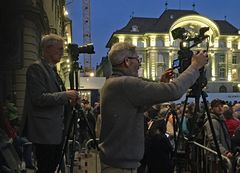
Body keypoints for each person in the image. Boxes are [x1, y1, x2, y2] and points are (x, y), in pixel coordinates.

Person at [98, 42, 208, 173]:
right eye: (137, 59)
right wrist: (195, 66)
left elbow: (141, 107)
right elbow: (174, 91)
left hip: (117, 163)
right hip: (120, 167)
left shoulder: (113, 83)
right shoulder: (125, 83)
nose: (139, 64)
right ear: (127, 61)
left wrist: (161, 84)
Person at [20, 34, 79, 173]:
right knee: (46, 168)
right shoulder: (36, 68)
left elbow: (55, 98)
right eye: (59, 49)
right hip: (44, 132)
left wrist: (69, 103)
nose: (62, 52)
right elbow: (38, 98)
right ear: (48, 49)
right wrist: (65, 95)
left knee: (52, 167)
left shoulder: (52, 70)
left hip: (55, 131)